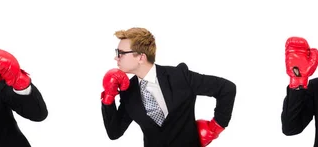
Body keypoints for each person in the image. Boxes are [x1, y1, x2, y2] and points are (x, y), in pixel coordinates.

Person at [99, 27, 237, 147]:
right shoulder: (128, 92)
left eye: (121, 53)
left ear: (141, 57)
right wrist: (108, 97)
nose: (116, 58)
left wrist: (216, 127)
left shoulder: (180, 76)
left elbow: (226, 88)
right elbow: (114, 132)